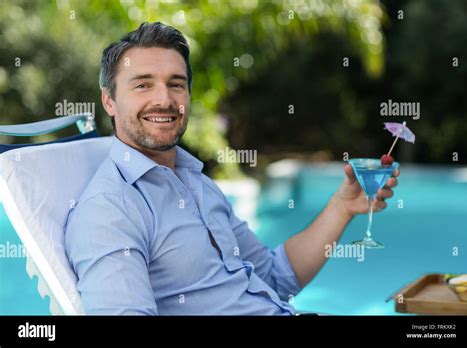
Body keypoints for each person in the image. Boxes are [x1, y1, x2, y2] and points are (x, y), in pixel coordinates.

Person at [65, 21, 400, 315]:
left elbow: (274, 276)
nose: (164, 100)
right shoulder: (109, 211)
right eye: (143, 85)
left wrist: (342, 207)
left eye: (176, 84)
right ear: (108, 100)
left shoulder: (196, 183)